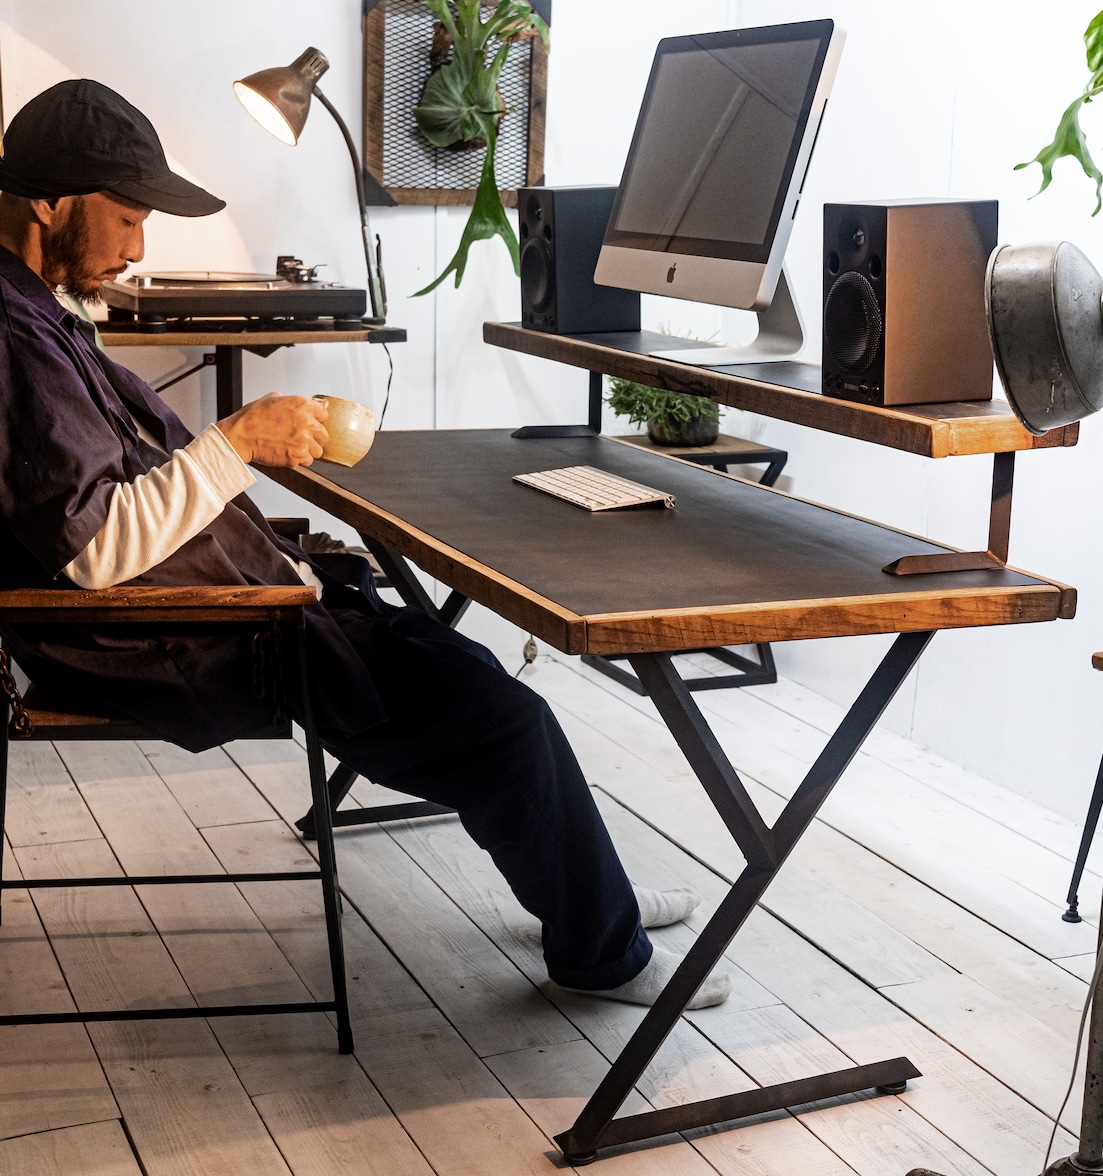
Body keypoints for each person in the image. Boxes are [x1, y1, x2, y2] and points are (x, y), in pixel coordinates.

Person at [0, 79, 729, 1009]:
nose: (140, 246)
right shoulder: (12, 340)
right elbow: (96, 549)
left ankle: (593, 904)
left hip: (221, 604)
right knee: (503, 720)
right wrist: (238, 444)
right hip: (179, 632)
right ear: (51, 201)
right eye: (130, 216)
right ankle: (604, 955)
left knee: (462, 665)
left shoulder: (35, 316)